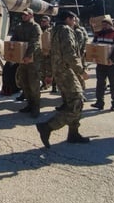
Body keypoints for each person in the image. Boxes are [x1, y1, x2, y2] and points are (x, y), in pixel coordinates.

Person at [35, 10, 89, 147]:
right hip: (66, 71)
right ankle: (47, 127)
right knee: (77, 101)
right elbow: (69, 53)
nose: (75, 22)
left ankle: (73, 133)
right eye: (74, 19)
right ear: (68, 19)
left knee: (72, 101)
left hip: (60, 71)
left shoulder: (55, 30)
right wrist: (81, 71)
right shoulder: (66, 30)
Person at [11, 7, 42, 117]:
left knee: (34, 84)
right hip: (22, 60)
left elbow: (35, 43)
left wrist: (28, 55)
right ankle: (29, 104)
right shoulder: (19, 27)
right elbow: (14, 40)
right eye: (22, 14)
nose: (23, 16)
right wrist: (12, 51)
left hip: (33, 60)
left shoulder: (36, 27)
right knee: (24, 83)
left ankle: (36, 108)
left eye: (26, 14)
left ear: (31, 15)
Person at [90, 16, 114, 111]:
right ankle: (99, 103)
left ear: (110, 25)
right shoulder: (98, 34)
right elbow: (94, 47)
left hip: (112, 64)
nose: (104, 26)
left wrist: (112, 60)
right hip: (101, 64)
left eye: (106, 24)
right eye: (103, 24)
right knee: (100, 84)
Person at [38, 15, 53, 91]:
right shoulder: (39, 29)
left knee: (51, 70)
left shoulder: (52, 30)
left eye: (44, 21)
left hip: (50, 54)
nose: (42, 23)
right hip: (41, 53)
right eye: (41, 21)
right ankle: (44, 84)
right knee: (42, 70)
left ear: (48, 22)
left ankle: (54, 86)